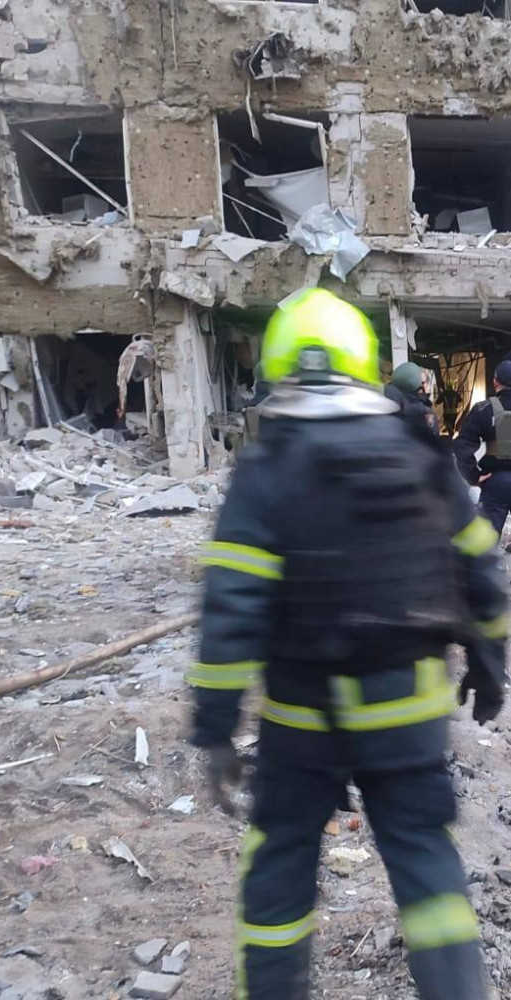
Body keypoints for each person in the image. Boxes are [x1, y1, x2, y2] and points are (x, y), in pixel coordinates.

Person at [188, 288, 507, 1000]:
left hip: (303, 718)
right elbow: (479, 567)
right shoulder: (420, 453)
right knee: (425, 860)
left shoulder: (266, 467)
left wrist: (213, 725)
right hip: (408, 710)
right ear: (364, 362)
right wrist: (490, 664)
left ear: (275, 367)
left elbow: (231, 605)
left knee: (281, 860)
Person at [455, 359, 511, 535]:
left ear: (495, 382)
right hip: (497, 481)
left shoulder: (483, 409)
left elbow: (463, 446)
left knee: (486, 539)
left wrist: (473, 476)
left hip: (496, 482)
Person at [385, 361, 439, 434]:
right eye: (425, 381)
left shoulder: (386, 408)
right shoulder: (425, 413)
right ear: (418, 386)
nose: (428, 385)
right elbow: (433, 438)